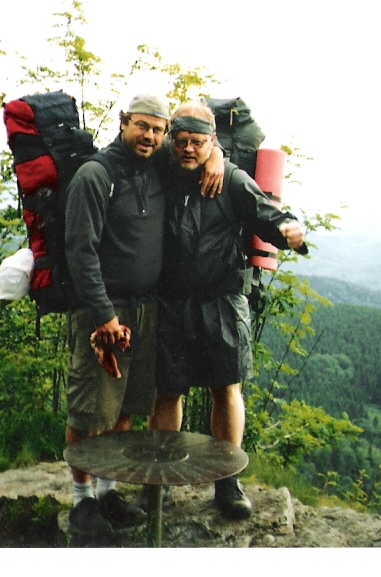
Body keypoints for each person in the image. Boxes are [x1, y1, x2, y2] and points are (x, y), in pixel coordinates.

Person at [62, 94, 223, 537]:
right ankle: (81, 500)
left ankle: (109, 492)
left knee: (127, 408)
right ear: (124, 122)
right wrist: (103, 316)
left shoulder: (158, 169)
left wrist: (217, 157)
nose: (150, 136)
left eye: (157, 129)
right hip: (104, 311)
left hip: (146, 310)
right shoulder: (96, 175)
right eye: (142, 126)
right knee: (90, 410)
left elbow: (201, 148)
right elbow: (80, 251)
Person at [150, 101, 307, 519]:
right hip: (172, 301)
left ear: (212, 140)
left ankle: (228, 480)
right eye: (181, 141)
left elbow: (267, 214)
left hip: (222, 299)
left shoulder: (232, 179)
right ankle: (159, 479)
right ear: (171, 139)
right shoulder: (162, 168)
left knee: (226, 388)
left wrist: (288, 229)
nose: (188, 149)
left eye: (198, 142)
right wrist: (214, 155)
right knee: (168, 390)